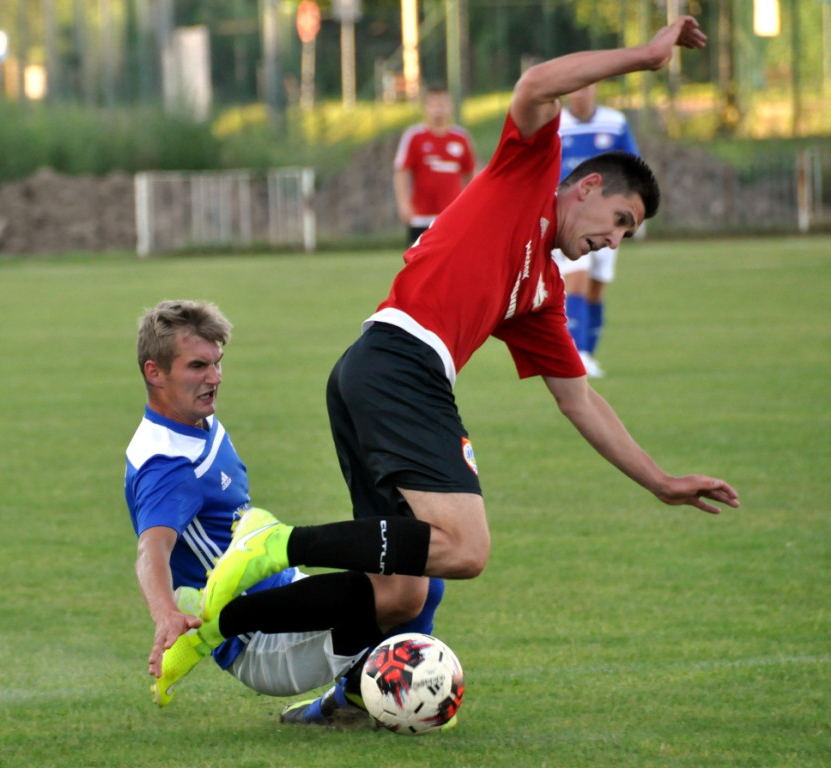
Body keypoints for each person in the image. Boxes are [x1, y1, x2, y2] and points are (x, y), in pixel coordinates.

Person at [159, 17, 739, 701]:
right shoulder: (528, 172)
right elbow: (534, 84)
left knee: (400, 593)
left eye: (627, 235)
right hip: (399, 362)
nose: (614, 240)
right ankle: (276, 544)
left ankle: (215, 625)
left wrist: (659, 480)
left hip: (370, 373)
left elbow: (579, 399)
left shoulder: (542, 294)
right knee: (464, 547)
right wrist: (643, 57)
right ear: (584, 188)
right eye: (619, 220)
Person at [127, 299, 444, 722]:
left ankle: (347, 705)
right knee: (404, 590)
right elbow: (151, 550)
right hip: (257, 642)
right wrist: (165, 613)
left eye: (218, 364)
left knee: (421, 576)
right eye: (198, 367)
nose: (215, 378)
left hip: (285, 593)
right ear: (155, 372)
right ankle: (213, 636)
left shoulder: (192, 422)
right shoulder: (169, 465)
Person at [552, 84, 641, 377]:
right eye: (575, 88)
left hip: (607, 221)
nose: (581, 93)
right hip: (571, 219)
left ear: (596, 88)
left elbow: (633, 168)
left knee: (597, 286)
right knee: (575, 280)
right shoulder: (556, 125)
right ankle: (577, 355)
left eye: (587, 87)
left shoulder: (614, 122)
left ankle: (588, 352)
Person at [393, 85, 477, 245]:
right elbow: (401, 171)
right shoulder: (414, 136)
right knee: (418, 263)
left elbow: (471, 175)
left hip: (452, 215)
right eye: (434, 104)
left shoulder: (461, 138)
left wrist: (470, 206)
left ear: (451, 107)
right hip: (421, 216)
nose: (439, 109)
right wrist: (403, 203)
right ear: (426, 108)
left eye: (443, 104)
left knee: (452, 262)